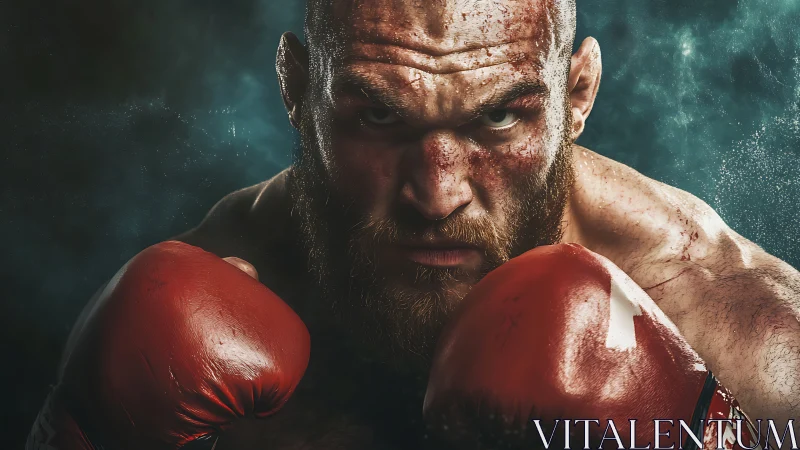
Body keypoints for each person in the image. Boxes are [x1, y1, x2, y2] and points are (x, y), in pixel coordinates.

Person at [27, 0, 800, 448]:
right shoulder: (198, 300)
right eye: (380, 116)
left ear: (579, 96)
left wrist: (711, 435)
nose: (436, 196)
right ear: (298, 88)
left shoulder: (736, 331)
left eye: (497, 117)